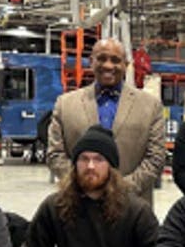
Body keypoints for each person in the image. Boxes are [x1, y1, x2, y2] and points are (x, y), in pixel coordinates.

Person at [15, 125, 157, 247]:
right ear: (75, 164)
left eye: (99, 159)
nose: (90, 166)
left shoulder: (137, 210)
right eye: (84, 158)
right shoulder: (55, 205)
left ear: (111, 166)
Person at [47, 38, 165, 206]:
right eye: (102, 59)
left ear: (126, 64)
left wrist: (119, 190)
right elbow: (55, 155)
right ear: (91, 62)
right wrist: (86, 186)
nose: (108, 66)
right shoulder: (65, 104)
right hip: (78, 207)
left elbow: (156, 158)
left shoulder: (151, 106)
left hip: (132, 210)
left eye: (116, 60)